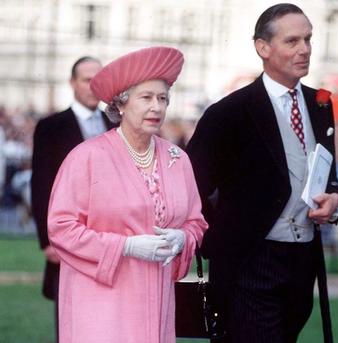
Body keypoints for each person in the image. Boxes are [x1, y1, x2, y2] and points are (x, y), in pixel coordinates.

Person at [186, 4, 338, 343]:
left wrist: (335, 197)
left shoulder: (320, 104)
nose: (304, 49)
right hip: (250, 263)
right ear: (263, 47)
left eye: (308, 39)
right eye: (292, 41)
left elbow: (327, 173)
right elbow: (190, 189)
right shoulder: (228, 113)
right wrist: (226, 236)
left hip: (302, 262)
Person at [47, 46, 208, 343]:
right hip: (100, 301)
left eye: (162, 99)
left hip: (157, 299)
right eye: (146, 98)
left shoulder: (178, 159)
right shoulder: (87, 157)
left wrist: (182, 238)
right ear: (121, 104)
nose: (156, 108)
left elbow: (196, 222)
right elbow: (61, 228)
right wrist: (126, 246)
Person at [31, 56, 115, 341]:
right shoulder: (51, 126)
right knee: (70, 321)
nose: (93, 86)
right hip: (67, 238)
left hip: (109, 240)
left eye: (98, 79)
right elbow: (41, 184)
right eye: (85, 79)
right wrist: (47, 239)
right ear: (72, 83)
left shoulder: (115, 124)